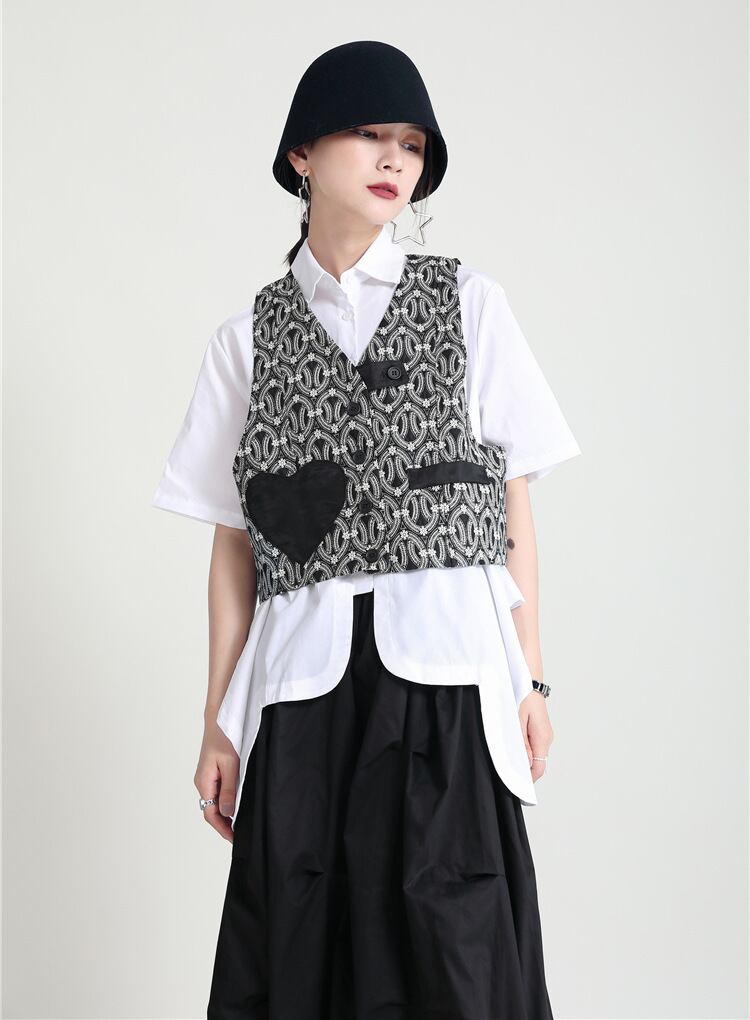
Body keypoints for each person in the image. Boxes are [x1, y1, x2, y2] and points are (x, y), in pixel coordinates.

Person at [152, 39, 581, 1020]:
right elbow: (233, 545)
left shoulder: (470, 305)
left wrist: (532, 677)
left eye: (412, 144)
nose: (394, 159)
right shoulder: (245, 342)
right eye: (367, 133)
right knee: (305, 957)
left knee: (455, 953)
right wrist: (218, 720)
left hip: (446, 676)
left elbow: (512, 500)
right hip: (302, 689)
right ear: (301, 154)